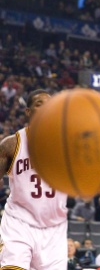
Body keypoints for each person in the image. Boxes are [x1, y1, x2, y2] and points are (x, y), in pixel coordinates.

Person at [0, 89, 68, 269]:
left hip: (54, 230)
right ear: (28, 112)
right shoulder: (11, 144)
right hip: (19, 223)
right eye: (39, 104)